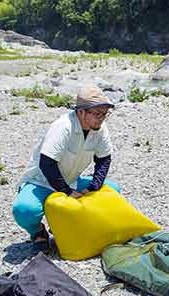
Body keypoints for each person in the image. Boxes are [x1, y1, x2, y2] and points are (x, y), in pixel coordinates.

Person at [12, 84, 119, 244]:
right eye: (97, 113)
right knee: (24, 210)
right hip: (41, 182)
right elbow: (47, 163)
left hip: (71, 180)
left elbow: (104, 159)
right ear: (81, 111)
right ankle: (37, 232)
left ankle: (61, 225)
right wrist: (67, 192)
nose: (101, 118)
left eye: (105, 114)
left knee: (113, 190)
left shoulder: (99, 127)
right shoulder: (63, 127)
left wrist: (93, 187)